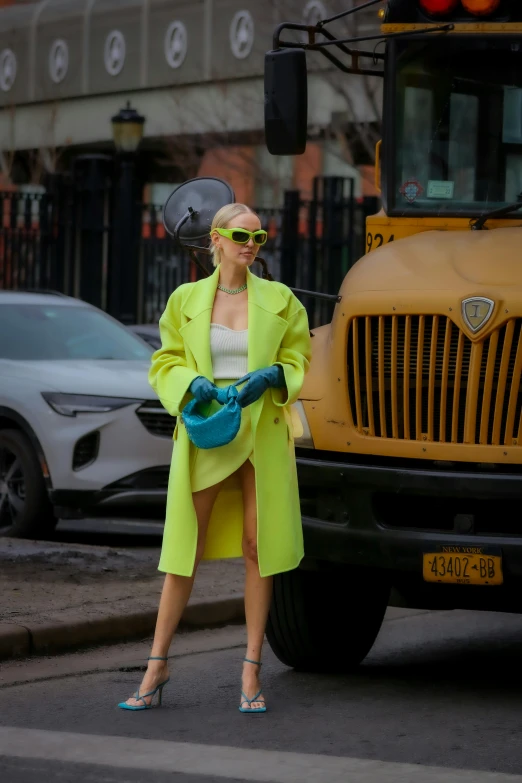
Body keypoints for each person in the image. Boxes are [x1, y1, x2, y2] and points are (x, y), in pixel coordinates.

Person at [118, 202, 311, 713]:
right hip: (207, 428)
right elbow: (165, 361)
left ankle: (251, 670)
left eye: (259, 237)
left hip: (262, 431)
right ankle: (156, 665)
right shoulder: (185, 300)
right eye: (239, 235)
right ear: (215, 241)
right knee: (184, 550)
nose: (250, 244)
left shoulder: (281, 300)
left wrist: (273, 378)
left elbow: (298, 358)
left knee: (257, 547)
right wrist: (192, 384)